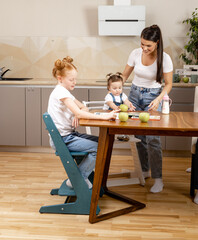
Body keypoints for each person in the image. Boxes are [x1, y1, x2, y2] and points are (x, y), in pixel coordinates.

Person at [48, 56, 117, 189]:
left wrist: (76, 113)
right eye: (71, 79)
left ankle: (81, 177)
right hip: (63, 139)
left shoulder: (65, 92)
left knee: (102, 142)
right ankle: (78, 179)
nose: (74, 82)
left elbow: (83, 108)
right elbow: (80, 112)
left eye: (75, 79)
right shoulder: (61, 92)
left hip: (69, 135)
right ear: (60, 78)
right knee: (99, 147)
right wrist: (104, 117)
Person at [122, 25, 173, 193]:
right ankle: (144, 170)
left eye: (148, 45)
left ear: (157, 43)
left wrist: (159, 99)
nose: (144, 48)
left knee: (153, 139)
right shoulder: (135, 53)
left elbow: (169, 84)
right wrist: (116, 88)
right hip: (134, 95)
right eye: (142, 44)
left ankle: (158, 178)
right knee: (138, 137)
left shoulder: (165, 58)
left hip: (153, 97)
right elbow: (124, 76)